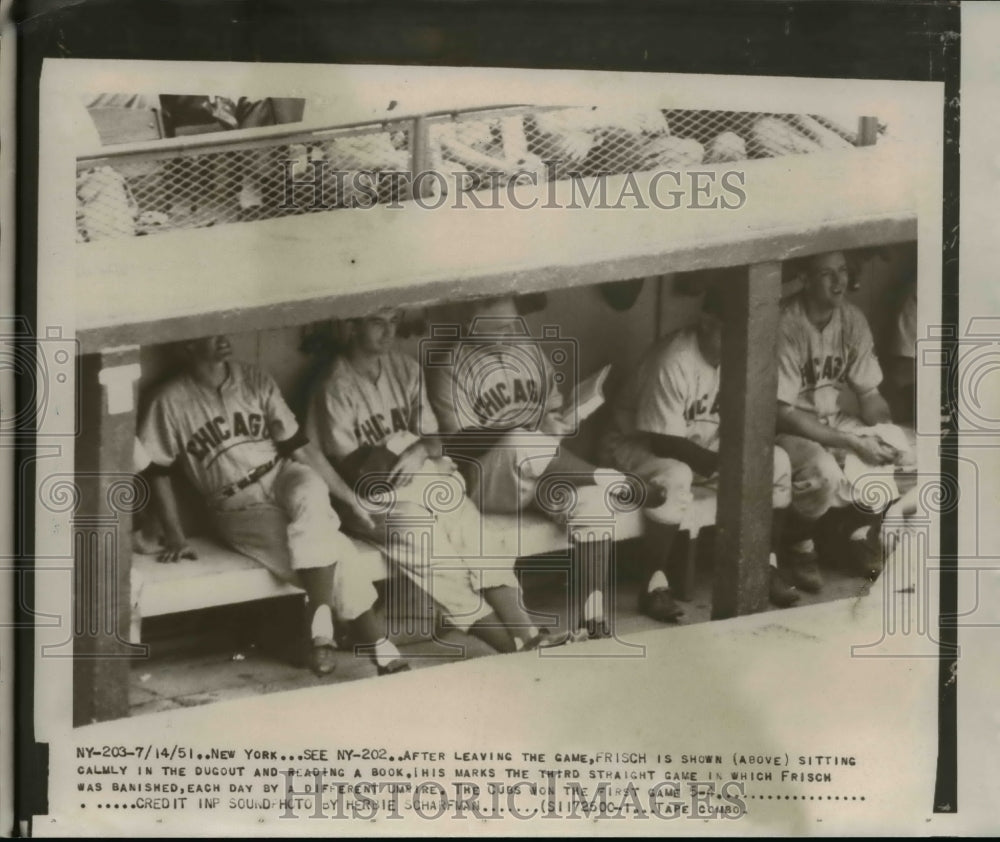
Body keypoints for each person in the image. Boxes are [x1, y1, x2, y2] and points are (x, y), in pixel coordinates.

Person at [137, 334, 409, 678]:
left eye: (226, 330)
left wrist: (350, 498)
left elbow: (301, 448)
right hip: (235, 503)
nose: (224, 338)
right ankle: (376, 648)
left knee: (310, 488)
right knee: (335, 546)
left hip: (282, 475)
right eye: (211, 332)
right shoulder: (168, 400)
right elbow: (156, 472)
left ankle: (320, 627)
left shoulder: (253, 378)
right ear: (186, 344)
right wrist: (175, 534)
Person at [304, 308, 567, 654]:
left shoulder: (405, 369)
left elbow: (437, 438)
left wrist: (419, 450)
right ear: (351, 326)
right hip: (368, 498)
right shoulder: (333, 383)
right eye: (376, 323)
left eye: (393, 322)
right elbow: (356, 466)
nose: (388, 333)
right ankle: (512, 646)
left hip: (419, 480)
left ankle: (530, 633)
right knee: (435, 555)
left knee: (473, 532)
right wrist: (415, 452)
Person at [424, 295, 629, 640]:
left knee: (593, 501)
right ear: (473, 322)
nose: (512, 331)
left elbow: (553, 407)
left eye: (513, 323)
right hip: (487, 484)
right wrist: (532, 428)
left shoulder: (528, 351)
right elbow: (460, 444)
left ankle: (592, 615)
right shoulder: (450, 366)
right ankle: (606, 476)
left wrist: (559, 420)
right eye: (501, 326)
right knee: (523, 441)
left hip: (537, 473)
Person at [600, 286, 799, 619]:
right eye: (732, 329)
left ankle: (766, 566)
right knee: (676, 475)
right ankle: (653, 586)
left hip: (698, 446)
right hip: (631, 446)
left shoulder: (739, 357)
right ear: (707, 322)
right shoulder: (674, 358)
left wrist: (737, 460)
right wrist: (727, 465)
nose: (742, 340)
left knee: (776, 462)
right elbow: (662, 441)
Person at [775, 250, 915, 591]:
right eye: (827, 274)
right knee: (823, 471)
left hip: (833, 418)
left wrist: (884, 432)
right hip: (787, 427)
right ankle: (799, 543)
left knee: (910, 451)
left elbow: (869, 394)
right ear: (805, 279)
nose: (840, 281)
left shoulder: (851, 318)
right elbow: (783, 412)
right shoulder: (785, 323)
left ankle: (855, 532)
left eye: (842, 270)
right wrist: (852, 442)